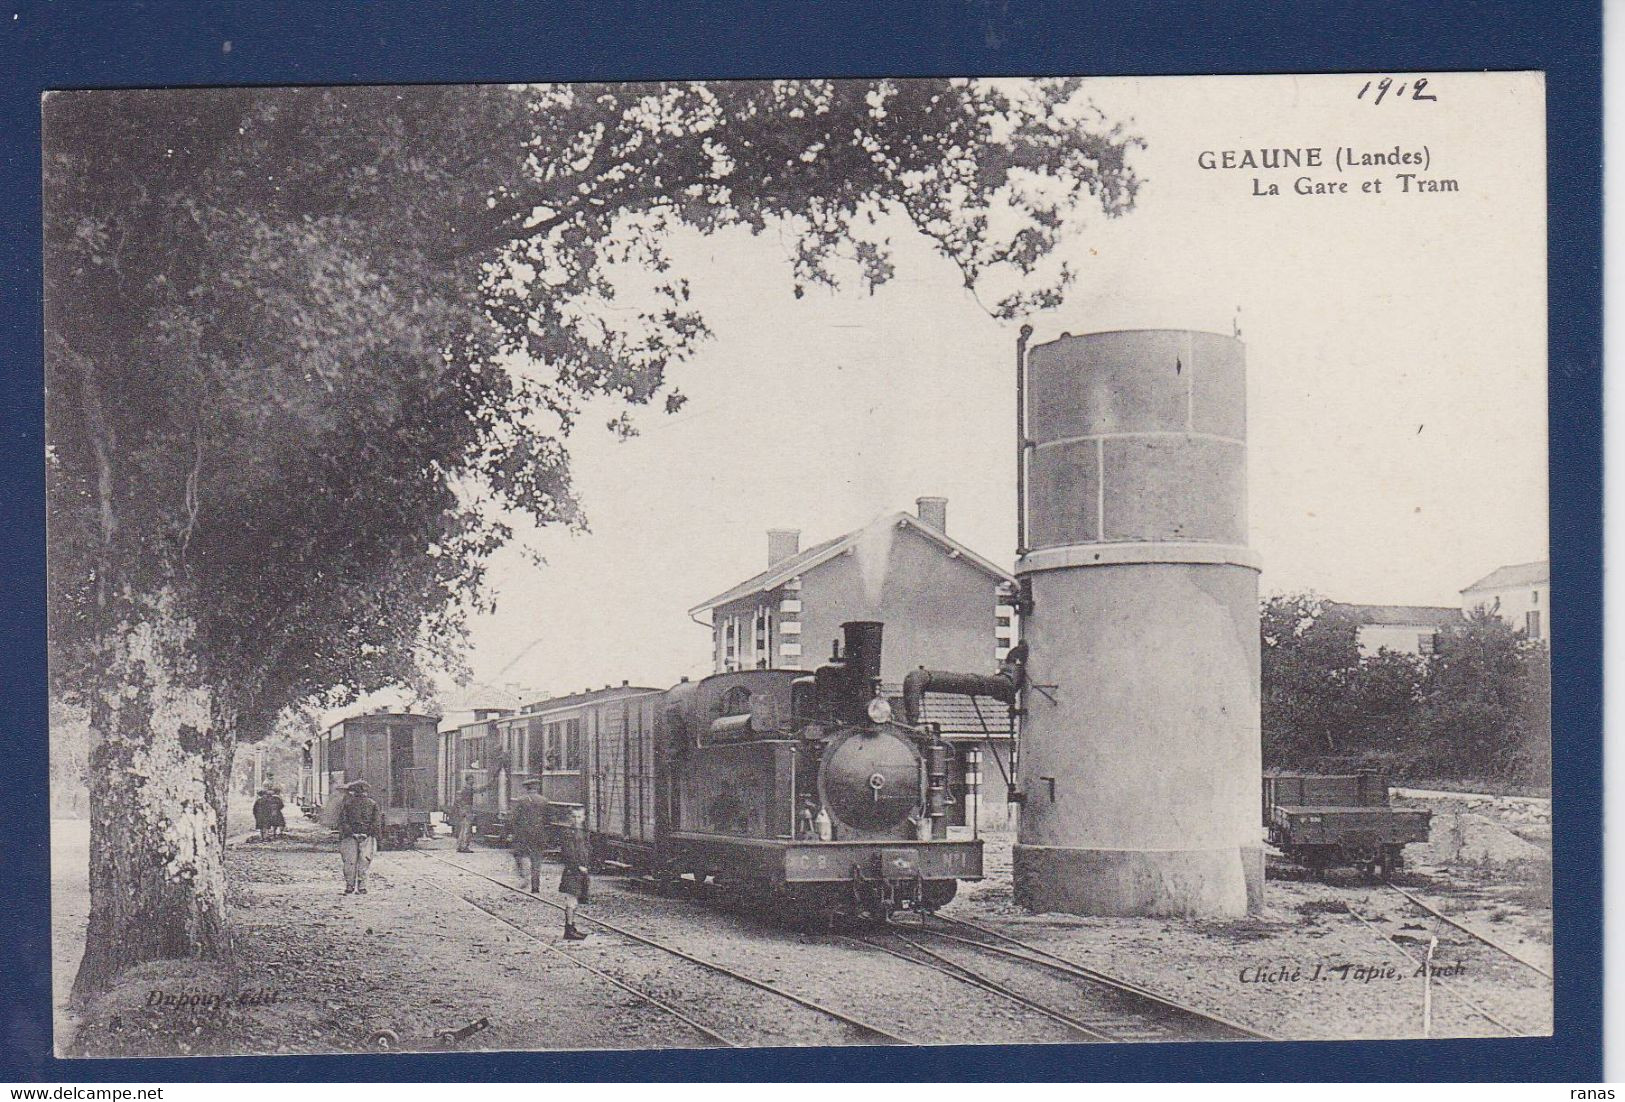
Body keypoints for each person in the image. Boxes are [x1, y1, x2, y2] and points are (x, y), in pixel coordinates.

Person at [337, 780, 382, 895]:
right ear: (366, 791)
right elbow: (376, 822)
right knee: (365, 861)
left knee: (349, 862)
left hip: (349, 837)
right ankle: (362, 887)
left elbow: (343, 821)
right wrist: (367, 833)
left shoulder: (347, 803)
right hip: (367, 837)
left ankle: (349, 886)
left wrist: (352, 833)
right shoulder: (373, 804)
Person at [507, 777, 550, 893]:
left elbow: (514, 819)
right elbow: (547, 820)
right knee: (536, 860)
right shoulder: (544, 801)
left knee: (518, 855)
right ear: (536, 788)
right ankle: (535, 887)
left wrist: (512, 832)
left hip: (523, 836)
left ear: (527, 788)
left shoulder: (521, 800)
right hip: (538, 835)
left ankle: (524, 877)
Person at [558, 806, 590, 941]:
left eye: (580, 817)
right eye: (575, 817)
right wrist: (578, 866)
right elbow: (569, 853)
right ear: (571, 818)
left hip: (580, 871)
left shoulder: (581, 831)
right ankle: (568, 929)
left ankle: (571, 927)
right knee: (571, 901)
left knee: (575, 901)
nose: (577, 820)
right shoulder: (569, 833)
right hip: (573, 871)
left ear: (583, 818)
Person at [449, 779, 483, 853]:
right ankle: (464, 846)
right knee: (467, 829)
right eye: (471, 779)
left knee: (463, 828)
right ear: (468, 780)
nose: (473, 781)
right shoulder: (468, 789)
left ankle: (459, 846)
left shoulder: (463, 789)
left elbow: (458, 801)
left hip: (463, 809)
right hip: (467, 809)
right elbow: (479, 790)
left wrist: (460, 808)